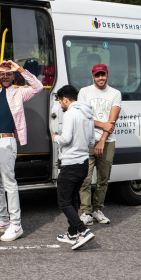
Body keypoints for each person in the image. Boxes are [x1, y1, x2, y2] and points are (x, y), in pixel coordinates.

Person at [0, 60, 43, 241]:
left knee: (9, 183)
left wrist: (19, 68)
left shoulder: (19, 92)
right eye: (1, 74)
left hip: (7, 140)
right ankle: (3, 220)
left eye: (8, 74)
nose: (4, 76)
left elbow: (38, 86)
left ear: (13, 76)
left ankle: (16, 224)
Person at [78, 63, 122, 225]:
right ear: (93, 76)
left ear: (107, 75)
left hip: (107, 141)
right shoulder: (84, 92)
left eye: (103, 75)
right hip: (87, 140)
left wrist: (102, 140)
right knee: (85, 178)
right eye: (97, 75)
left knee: (103, 179)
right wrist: (102, 125)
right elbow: (83, 116)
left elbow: (112, 121)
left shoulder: (115, 94)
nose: (100, 78)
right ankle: (86, 212)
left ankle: (97, 209)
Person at [53, 85, 96, 250]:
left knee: (63, 202)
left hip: (70, 163)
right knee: (73, 199)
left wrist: (56, 137)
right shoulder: (88, 114)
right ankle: (72, 233)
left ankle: (82, 230)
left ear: (65, 98)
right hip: (84, 163)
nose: (60, 105)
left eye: (60, 102)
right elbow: (92, 141)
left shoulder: (71, 113)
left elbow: (66, 138)